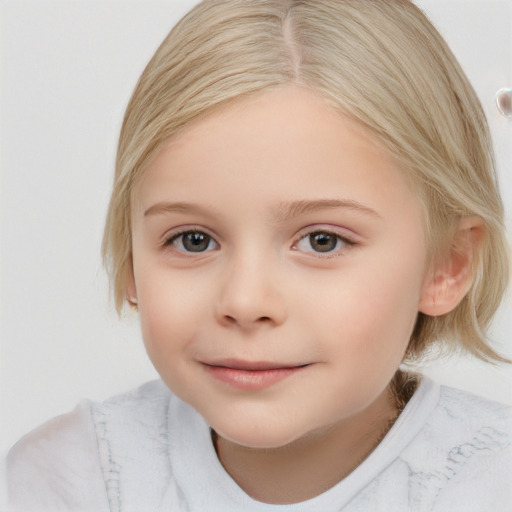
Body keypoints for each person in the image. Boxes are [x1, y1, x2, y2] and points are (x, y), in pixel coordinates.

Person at [6, 0, 511, 510]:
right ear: (133, 259)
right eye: (193, 240)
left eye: (323, 241)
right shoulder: (68, 479)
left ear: (448, 264)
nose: (245, 301)